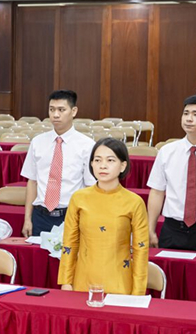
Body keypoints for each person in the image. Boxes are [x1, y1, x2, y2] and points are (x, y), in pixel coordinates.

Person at [58, 138, 148, 295]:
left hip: (120, 284)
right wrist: (66, 282)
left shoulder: (134, 202)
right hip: (83, 282)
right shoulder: (79, 198)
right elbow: (69, 243)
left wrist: (138, 292)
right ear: (91, 164)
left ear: (123, 166)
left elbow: (141, 250)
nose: (103, 166)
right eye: (97, 160)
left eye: (110, 160)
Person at [21, 90, 95, 237]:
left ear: (73, 111)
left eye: (61, 110)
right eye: (51, 109)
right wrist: (27, 219)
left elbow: (90, 187)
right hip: (40, 215)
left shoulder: (87, 145)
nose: (55, 115)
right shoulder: (37, 142)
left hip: (71, 215)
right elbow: (32, 182)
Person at [147, 94, 196, 250]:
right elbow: (157, 192)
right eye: (186, 113)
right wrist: (150, 229)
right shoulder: (167, 152)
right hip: (173, 230)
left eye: (195, 114)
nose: (189, 119)